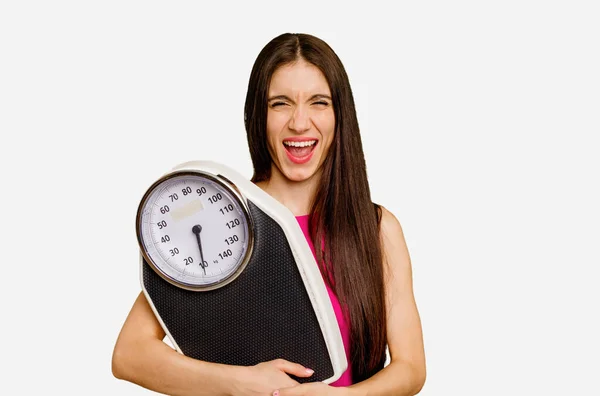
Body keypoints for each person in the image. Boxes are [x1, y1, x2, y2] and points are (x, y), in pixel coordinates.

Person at [112, 33, 426, 396]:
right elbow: (129, 354)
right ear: (258, 115)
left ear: (340, 115)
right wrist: (239, 383)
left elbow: (411, 368)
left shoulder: (377, 228)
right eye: (280, 104)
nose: (299, 122)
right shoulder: (223, 216)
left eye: (318, 102)